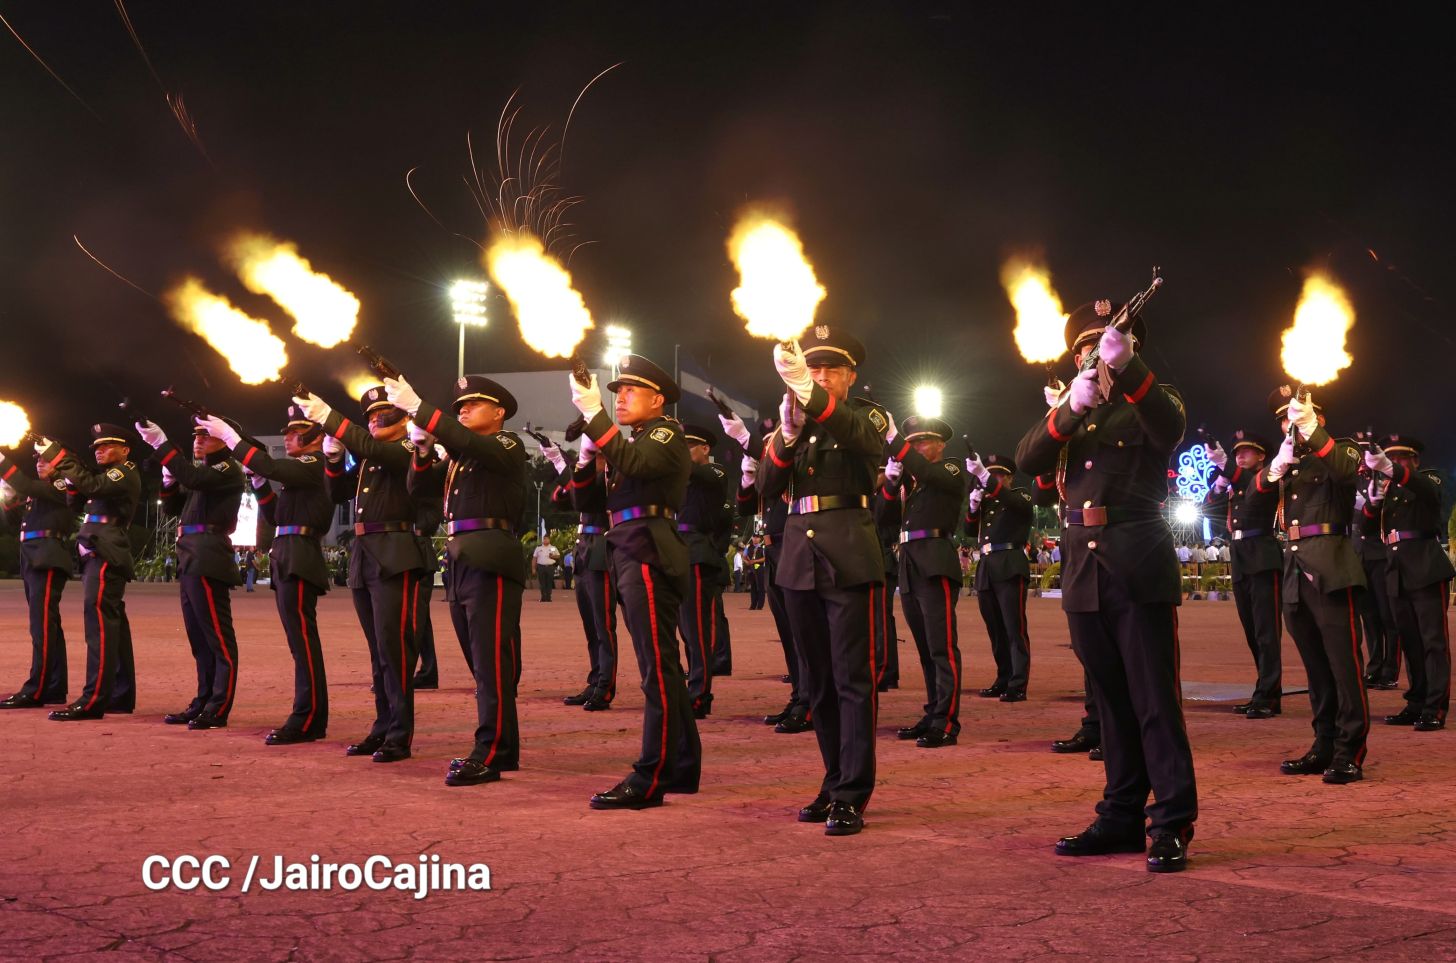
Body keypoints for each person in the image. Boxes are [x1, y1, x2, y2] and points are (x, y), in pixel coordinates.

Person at [1016, 299, 1196, 873]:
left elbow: (1169, 427)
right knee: (1112, 705)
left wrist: (1132, 373)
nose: (1097, 359)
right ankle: (1120, 815)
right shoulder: (1077, 411)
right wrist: (1069, 411)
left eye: (1108, 349)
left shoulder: (1150, 402)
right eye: (1087, 352)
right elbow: (1028, 460)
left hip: (1136, 563)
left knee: (1153, 702)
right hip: (1083, 571)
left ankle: (1170, 820)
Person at [758, 327, 886, 836]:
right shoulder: (795, 424)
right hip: (798, 555)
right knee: (817, 680)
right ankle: (833, 781)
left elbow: (867, 443)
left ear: (851, 376)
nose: (821, 376)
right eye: (813, 369)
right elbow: (766, 487)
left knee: (853, 679)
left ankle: (853, 792)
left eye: (832, 369)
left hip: (847, 550)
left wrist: (812, 400)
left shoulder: (865, 416)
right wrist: (785, 440)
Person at [568, 354, 700, 809]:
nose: (619, 398)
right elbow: (586, 502)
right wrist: (586, 460)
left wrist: (595, 419)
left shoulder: (664, 433)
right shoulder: (633, 441)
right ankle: (680, 764)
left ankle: (651, 775)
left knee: (656, 668)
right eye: (616, 392)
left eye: (630, 391)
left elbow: (637, 466)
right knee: (659, 665)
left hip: (647, 545)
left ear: (657, 399)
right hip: (628, 545)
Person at [388, 374, 529, 786]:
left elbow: (473, 444)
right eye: (459, 407)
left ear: (499, 412)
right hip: (461, 557)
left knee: (491, 663)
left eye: (474, 404)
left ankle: (492, 750)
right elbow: (419, 489)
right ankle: (501, 747)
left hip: (490, 555)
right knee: (480, 663)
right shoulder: (462, 457)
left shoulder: (507, 444)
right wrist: (422, 447)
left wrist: (423, 411)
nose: (463, 409)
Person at [300, 385, 428, 764]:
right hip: (366, 554)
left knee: (396, 650)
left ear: (405, 418)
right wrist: (334, 459)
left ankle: (400, 733)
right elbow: (337, 491)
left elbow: (374, 449)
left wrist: (332, 422)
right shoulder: (372, 457)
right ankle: (382, 724)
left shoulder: (406, 448)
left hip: (395, 552)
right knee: (377, 652)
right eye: (369, 417)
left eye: (383, 416)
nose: (374, 421)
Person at [203, 406, 334, 745]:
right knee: (299, 643)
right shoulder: (300, 475)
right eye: (287, 432)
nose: (289, 437)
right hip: (289, 551)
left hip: (301, 554)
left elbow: (272, 465)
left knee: (303, 644)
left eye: (296, 432)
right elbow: (277, 515)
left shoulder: (313, 464)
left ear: (316, 437)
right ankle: (310, 716)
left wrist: (233, 440)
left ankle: (307, 718)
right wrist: (259, 481)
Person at [1264, 386, 1368, 783]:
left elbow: (1345, 472)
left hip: (1330, 567)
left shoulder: (1341, 449)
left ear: (1316, 417)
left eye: (1297, 418)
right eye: (1285, 422)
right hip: (1294, 570)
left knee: (1345, 666)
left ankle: (1349, 749)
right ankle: (1324, 744)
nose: (1289, 426)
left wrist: (1311, 430)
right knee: (1316, 670)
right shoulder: (1291, 463)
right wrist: (1275, 469)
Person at [140, 418, 245, 730]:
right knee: (199, 639)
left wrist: (162, 446)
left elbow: (196, 479)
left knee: (218, 639)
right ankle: (203, 701)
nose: (198, 441)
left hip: (208, 556)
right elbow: (174, 510)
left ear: (224, 440)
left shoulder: (226, 469)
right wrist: (169, 481)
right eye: (196, 436)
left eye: (206, 436)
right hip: (191, 556)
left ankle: (218, 707)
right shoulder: (206, 474)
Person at [35, 425, 141, 720]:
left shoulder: (124, 472)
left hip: (106, 550)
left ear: (125, 451)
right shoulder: (102, 476)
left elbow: (95, 488)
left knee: (100, 627)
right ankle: (119, 695)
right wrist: (70, 472)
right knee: (112, 627)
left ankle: (94, 699)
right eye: (96, 447)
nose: (99, 451)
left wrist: (59, 457)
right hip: (99, 549)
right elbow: (75, 500)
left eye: (107, 446)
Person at [883, 416, 969, 747]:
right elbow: (882, 517)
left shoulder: (950, 469)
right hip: (910, 562)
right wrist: (891, 484)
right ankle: (933, 710)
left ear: (940, 444)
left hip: (936, 561)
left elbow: (929, 471)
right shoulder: (912, 482)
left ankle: (946, 721)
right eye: (912, 442)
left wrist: (898, 445)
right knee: (923, 648)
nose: (917, 447)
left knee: (942, 647)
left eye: (923, 442)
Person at [1364, 435, 1452, 731]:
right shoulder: (1389, 490)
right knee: (1410, 642)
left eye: (1402, 458)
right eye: (1391, 458)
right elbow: (1366, 529)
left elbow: (1425, 489)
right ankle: (1416, 702)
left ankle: (1435, 706)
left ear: (1415, 460)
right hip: (1396, 569)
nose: (1395, 464)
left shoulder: (1430, 479)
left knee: (1432, 642)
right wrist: (1372, 503)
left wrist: (1391, 470)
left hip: (1425, 566)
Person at [734, 421, 812, 734]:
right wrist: (748, 476)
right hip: (773, 550)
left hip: (793, 546)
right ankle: (798, 697)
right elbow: (745, 508)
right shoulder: (770, 478)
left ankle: (809, 702)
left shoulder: (792, 468)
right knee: (788, 633)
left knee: (802, 633)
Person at [1203, 430, 1283, 719]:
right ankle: (1264, 690)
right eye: (1236, 452)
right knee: (1252, 631)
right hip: (1239, 555)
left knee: (1266, 632)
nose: (1240, 456)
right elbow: (1205, 508)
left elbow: (1253, 485)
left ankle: (1269, 695)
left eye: (1246, 451)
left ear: (1262, 456)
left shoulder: (1267, 477)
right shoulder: (1236, 483)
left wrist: (1228, 468)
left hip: (1262, 555)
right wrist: (1220, 482)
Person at [0, 447, 76, 708]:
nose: (40, 463)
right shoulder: (40, 491)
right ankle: (53, 687)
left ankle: (37, 689)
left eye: (46, 459)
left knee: (42, 626)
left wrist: (2, 462)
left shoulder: (61, 483)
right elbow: (17, 522)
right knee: (48, 626)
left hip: (48, 557)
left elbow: (25, 484)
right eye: (38, 460)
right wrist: (8, 499)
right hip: (35, 558)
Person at [547, 436, 618, 711]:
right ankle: (594, 679)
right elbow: (560, 500)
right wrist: (564, 467)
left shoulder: (611, 476)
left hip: (601, 545)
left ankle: (606, 685)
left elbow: (587, 494)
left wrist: (563, 465)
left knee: (603, 624)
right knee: (590, 624)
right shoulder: (585, 476)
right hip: (584, 549)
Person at [966, 453, 1034, 703]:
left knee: (1014, 627)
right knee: (994, 628)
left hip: (1009, 562)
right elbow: (969, 530)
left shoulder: (1020, 495)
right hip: (986, 565)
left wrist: (984, 477)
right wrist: (973, 508)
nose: (993, 479)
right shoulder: (987, 502)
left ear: (1009, 477)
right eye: (990, 474)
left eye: (998, 475)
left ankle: (1018, 682)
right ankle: (1003, 677)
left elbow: (1017, 504)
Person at [677, 424, 732, 718]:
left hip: (699, 551)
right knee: (685, 629)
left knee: (698, 630)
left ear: (705, 449)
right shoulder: (683, 477)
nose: (682, 452)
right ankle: (690, 685)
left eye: (687, 446)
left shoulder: (715, 472)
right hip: (676, 550)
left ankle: (700, 694)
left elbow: (697, 474)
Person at [533, 537, 559, 602]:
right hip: (541, 567)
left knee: (549, 582)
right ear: (543, 540)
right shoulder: (538, 548)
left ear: (549, 540)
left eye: (547, 539)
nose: (546, 540)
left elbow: (558, 556)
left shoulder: (553, 547)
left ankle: (548, 597)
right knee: (542, 583)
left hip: (550, 567)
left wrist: (552, 556)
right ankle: (543, 597)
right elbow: (534, 558)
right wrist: (533, 568)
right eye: (544, 539)